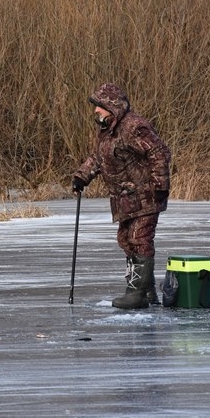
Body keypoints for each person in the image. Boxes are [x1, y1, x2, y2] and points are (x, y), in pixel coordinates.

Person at [71, 83, 171, 310]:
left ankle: (136, 294)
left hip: (146, 195)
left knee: (139, 238)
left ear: (112, 107)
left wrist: (161, 184)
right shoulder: (107, 131)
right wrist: (81, 177)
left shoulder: (134, 127)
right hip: (124, 199)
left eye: (100, 107)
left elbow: (159, 152)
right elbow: (97, 158)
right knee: (126, 241)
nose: (96, 111)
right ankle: (147, 292)